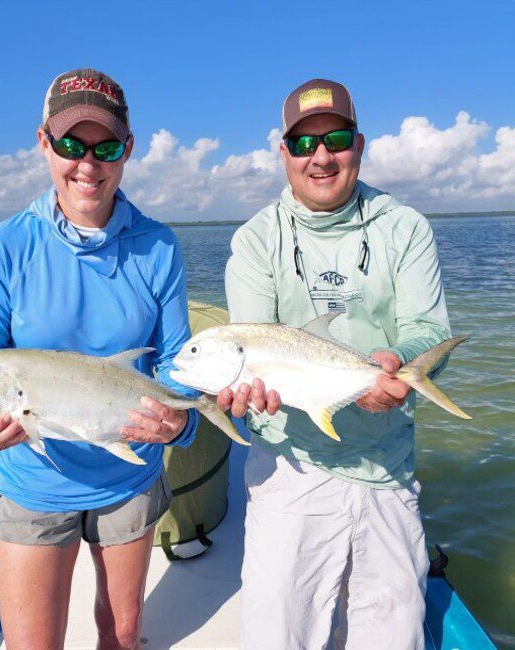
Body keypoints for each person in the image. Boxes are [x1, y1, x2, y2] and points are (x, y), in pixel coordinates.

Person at [0, 68, 199, 650]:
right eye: (70, 145)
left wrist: (179, 423)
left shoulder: (158, 246)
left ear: (127, 150)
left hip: (128, 472)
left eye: (105, 147)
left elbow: (177, 369)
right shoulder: (3, 247)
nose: (88, 164)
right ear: (44, 143)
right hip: (31, 484)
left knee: (123, 632)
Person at [217, 79, 452, 649]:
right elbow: (256, 345)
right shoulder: (255, 241)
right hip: (289, 465)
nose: (320, 156)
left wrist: (397, 362)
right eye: (303, 144)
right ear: (284, 153)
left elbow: (429, 327)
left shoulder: (405, 228)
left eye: (336, 138)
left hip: (387, 464)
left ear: (360, 144)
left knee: (394, 637)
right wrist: (246, 393)